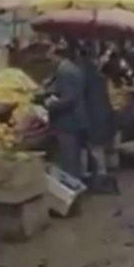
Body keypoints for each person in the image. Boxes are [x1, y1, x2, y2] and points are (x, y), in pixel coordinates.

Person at [44, 42, 88, 179]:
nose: (50, 60)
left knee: (69, 160)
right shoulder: (70, 69)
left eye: (51, 56)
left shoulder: (65, 71)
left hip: (68, 122)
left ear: (58, 55)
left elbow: (70, 99)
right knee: (72, 159)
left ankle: (72, 189)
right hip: (72, 121)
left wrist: (49, 105)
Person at [79, 42, 116, 176]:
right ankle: (102, 172)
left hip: (93, 115)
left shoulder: (83, 74)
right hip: (104, 113)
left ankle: (99, 175)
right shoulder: (99, 76)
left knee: (92, 147)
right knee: (99, 147)